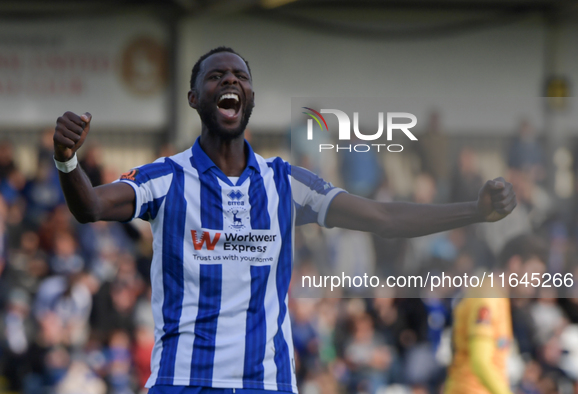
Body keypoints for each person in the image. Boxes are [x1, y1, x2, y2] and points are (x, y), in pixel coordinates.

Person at [52, 47, 517, 394]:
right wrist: (67, 161)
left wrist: (474, 211)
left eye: (240, 75)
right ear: (195, 98)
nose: (230, 79)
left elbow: (383, 217)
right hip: (183, 380)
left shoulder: (285, 184)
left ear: (250, 97)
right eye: (216, 75)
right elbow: (90, 207)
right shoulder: (168, 178)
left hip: (268, 383)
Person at [443, 234, 546, 394]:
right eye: (534, 272)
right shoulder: (488, 296)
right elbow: (481, 361)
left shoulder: (498, 298)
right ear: (515, 264)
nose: (536, 281)